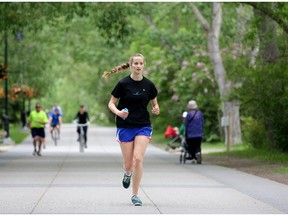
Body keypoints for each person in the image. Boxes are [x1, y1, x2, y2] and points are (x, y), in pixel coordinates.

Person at [103, 53, 160, 206]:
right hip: (125, 125)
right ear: (131, 64)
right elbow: (111, 103)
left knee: (138, 159)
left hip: (143, 125)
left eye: (141, 63)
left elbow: (155, 104)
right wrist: (118, 112)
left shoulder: (149, 85)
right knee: (128, 164)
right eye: (136, 63)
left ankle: (135, 195)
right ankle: (127, 173)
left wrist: (156, 109)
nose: (138, 66)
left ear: (144, 65)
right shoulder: (123, 84)